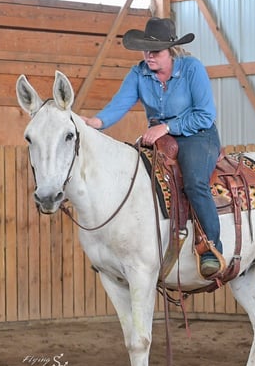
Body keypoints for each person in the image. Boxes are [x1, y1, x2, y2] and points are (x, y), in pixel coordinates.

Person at [81, 17, 223, 278]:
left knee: (194, 181)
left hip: (197, 135)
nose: (149, 56)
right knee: (134, 177)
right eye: (146, 50)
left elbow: (205, 115)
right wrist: (95, 122)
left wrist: (167, 127)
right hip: (160, 138)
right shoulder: (139, 73)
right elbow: (119, 104)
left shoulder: (192, 69)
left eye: (155, 51)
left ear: (171, 51)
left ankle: (210, 246)